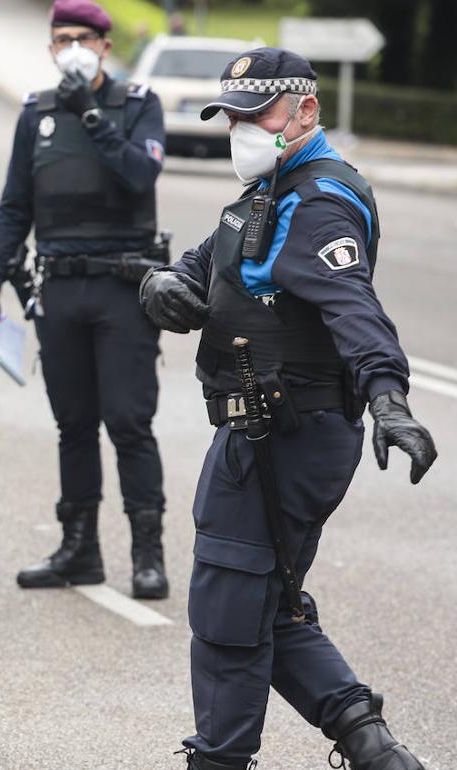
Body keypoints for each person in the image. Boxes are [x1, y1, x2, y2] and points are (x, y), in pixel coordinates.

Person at [139, 49, 438, 770]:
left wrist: (389, 396)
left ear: (306, 110)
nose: (242, 127)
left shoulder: (319, 202)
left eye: (258, 113)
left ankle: (220, 759)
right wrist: (160, 288)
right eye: (233, 114)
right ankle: (372, 748)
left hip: (291, 432)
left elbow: (354, 307)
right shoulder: (265, 194)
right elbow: (197, 269)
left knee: (227, 610)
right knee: (264, 605)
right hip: (256, 431)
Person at [0, 0, 171, 599]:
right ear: (51, 49)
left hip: (122, 289)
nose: (73, 48)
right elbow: (15, 206)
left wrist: (91, 115)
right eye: (62, 39)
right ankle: (79, 548)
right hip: (59, 288)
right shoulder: (36, 113)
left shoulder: (138, 105)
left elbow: (141, 175)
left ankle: (147, 555)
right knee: (73, 425)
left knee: (129, 423)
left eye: (83, 37)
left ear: (106, 46)